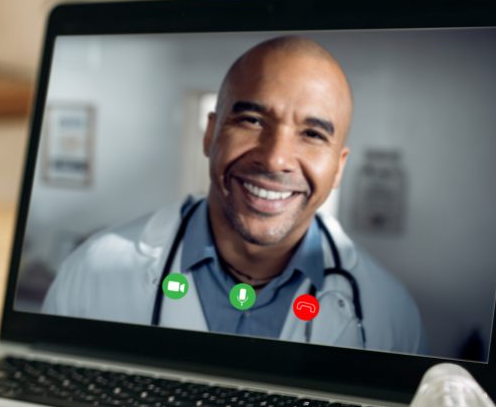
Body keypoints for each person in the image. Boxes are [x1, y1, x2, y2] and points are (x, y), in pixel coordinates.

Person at [41, 36, 424, 351]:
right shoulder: (92, 271)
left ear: (338, 167)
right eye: (253, 121)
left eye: (311, 134)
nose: (275, 159)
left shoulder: (388, 312)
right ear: (210, 134)